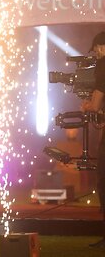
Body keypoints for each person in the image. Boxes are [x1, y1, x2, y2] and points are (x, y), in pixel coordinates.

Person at [82, 32, 105, 248]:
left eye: (97, 49)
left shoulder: (103, 65)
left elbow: (96, 105)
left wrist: (88, 104)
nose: (97, 53)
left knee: (103, 180)